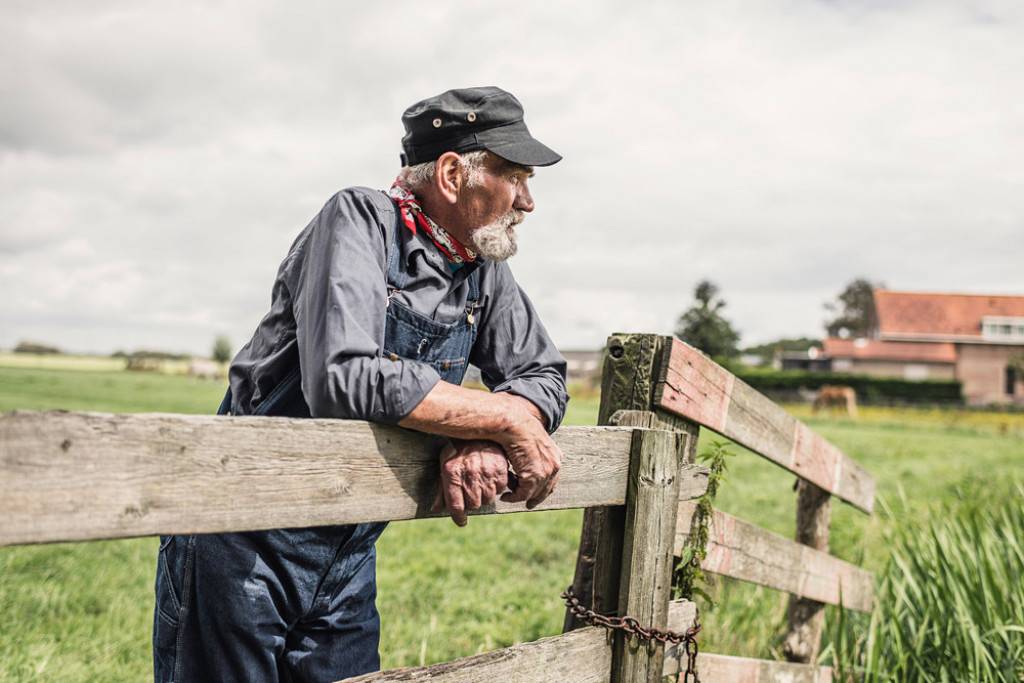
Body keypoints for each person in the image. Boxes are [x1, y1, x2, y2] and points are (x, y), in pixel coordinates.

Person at [153, 86, 568, 682]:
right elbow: (343, 376)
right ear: (452, 173)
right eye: (516, 177)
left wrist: (479, 436)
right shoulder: (358, 221)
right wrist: (501, 419)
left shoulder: (480, 271)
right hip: (242, 535)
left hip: (348, 551)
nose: (527, 201)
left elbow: (544, 375)